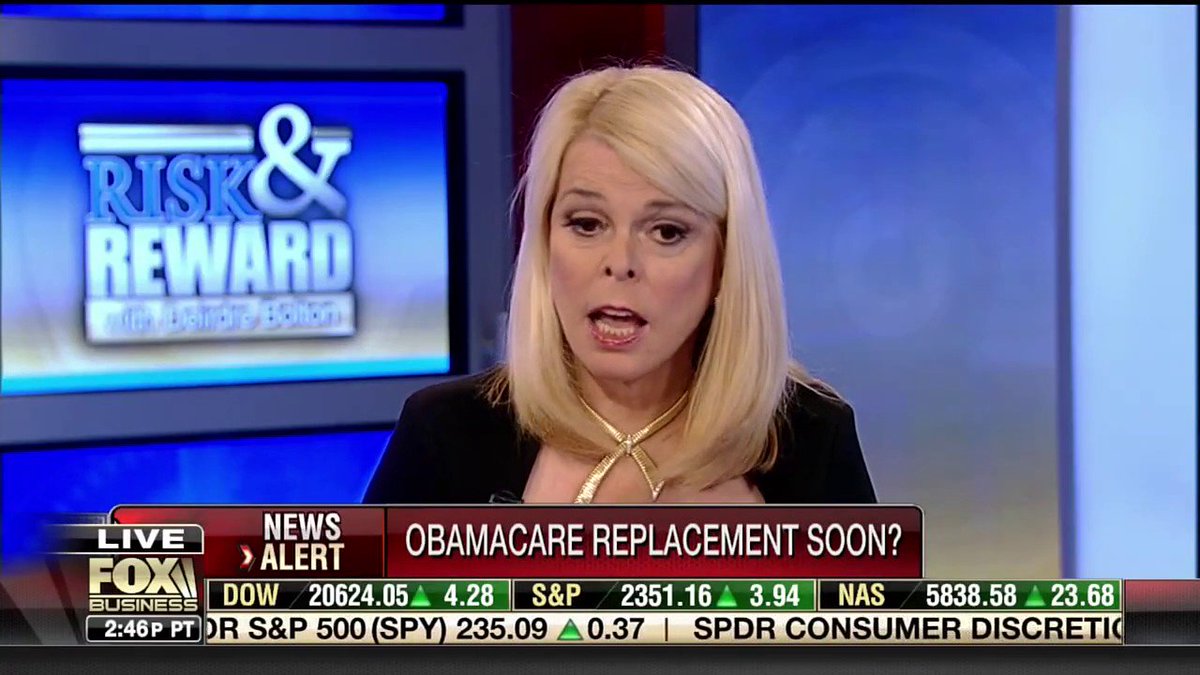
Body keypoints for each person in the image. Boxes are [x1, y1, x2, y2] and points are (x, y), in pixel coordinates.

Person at [364, 65, 875, 505]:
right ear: (543, 240)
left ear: (726, 261)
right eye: (587, 224)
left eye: (666, 232)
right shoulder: (444, 433)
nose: (620, 263)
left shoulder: (812, 438)